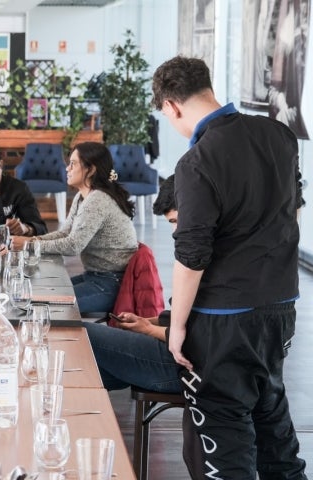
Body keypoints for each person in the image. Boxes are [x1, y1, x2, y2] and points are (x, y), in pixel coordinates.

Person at [153, 56, 307, 478]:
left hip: (222, 318)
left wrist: (178, 325)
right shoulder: (279, 135)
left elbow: (192, 252)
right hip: (281, 306)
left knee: (222, 435)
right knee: (270, 417)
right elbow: (293, 212)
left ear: (171, 106)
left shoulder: (198, 160)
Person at [12, 142, 137, 313]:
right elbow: (66, 232)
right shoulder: (82, 196)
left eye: (73, 163)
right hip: (95, 276)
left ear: (91, 169)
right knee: (41, 294)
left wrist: (28, 245)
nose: (67, 168)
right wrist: (34, 239)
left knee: (43, 306)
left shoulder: (98, 199)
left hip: (111, 283)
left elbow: (73, 245)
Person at [84, 175, 179, 394]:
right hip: (176, 352)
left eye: (175, 221)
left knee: (81, 334)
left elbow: (201, 335)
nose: (175, 233)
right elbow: (189, 319)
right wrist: (148, 321)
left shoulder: (203, 262)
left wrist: (149, 329)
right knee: (83, 365)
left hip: (179, 365)